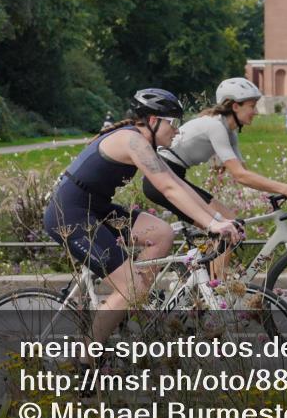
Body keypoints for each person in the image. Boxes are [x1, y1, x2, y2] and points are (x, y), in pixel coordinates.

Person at [44, 88, 242, 360]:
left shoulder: (142, 142)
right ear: (152, 121)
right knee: (131, 287)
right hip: (70, 214)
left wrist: (218, 221)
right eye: (173, 124)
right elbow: (168, 188)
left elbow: (179, 186)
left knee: (161, 233)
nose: (177, 132)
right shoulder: (132, 141)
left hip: (96, 209)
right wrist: (214, 225)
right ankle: (86, 363)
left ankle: (133, 307)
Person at [142, 78, 287, 278]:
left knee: (229, 227)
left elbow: (245, 172)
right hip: (163, 177)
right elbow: (240, 176)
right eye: (252, 106)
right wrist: (286, 189)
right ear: (235, 106)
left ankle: (207, 284)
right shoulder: (216, 126)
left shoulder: (229, 132)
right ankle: (218, 290)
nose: (256, 112)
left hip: (173, 175)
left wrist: (278, 191)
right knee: (229, 226)